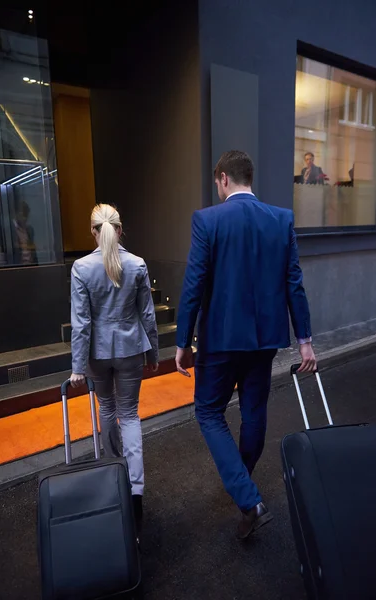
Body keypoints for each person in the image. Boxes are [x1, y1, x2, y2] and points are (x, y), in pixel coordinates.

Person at [175, 150, 316, 540]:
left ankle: (248, 497)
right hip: (265, 339)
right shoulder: (281, 219)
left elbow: (194, 285)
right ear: (249, 178)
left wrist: (182, 341)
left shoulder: (207, 220)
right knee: (254, 410)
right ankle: (243, 481)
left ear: (222, 178)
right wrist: (305, 341)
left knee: (208, 413)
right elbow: (294, 284)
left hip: (219, 340)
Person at [70, 203, 159, 534]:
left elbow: (81, 322)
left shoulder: (81, 268)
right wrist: (154, 354)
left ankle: (113, 472)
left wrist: (78, 366)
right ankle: (136, 491)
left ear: (94, 231)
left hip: (96, 353)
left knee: (106, 408)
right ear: (120, 229)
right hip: (131, 348)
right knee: (131, 415)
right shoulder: (136, 264)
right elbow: (147, 314)